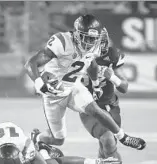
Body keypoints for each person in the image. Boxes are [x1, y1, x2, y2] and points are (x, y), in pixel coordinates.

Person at [25, 14, 146, 151]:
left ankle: (123, 137)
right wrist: (39, 83)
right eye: (86, 37)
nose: (89, 42)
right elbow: (31, 63)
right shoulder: (62, 41)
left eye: (93, 38)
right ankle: (37, 137)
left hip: (73, 87)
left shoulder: (96, 47)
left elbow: (91, 64)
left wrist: (95, 84)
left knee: (95, 110)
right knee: (58, 140)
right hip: (54, 94)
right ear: (76, 34)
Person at [80, 30, 134, 164]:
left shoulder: (112, 55)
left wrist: (113, 78)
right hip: (89, 107)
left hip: (111, 106)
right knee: (109, 140)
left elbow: (124, 87)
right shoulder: (76, 56)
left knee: (106, 144)